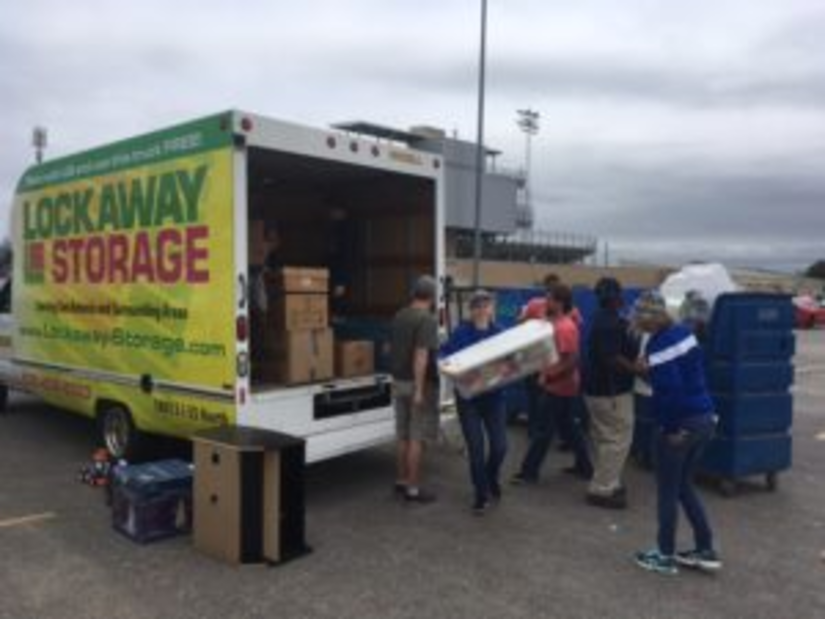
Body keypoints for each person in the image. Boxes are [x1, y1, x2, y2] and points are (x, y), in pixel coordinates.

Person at [632, 291, 722, 576]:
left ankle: (665, 554)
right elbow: (688, 374)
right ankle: (705, 549)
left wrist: (671, 429)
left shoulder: (659, 344)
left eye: (637, 317)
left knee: (667, 491)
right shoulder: (684, 333)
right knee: (684, 486)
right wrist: (649, 371)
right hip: (705, 418)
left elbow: (670, 391)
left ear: (646, 319)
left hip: (680, 424)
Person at [512, 283, 589, 483]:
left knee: (543, 431)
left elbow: (572, 359)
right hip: (558, 385)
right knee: (569, 428)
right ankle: (585, 467)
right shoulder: (552, 322)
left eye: (550, 298)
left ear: (560, 303)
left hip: (559, 387)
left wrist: (551, 377)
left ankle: (529, 472)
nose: (546, 301)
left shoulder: (565, 327)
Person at [440, 290, 508, 515]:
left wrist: (508, 368)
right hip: (468, 400)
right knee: (476, 449)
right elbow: (442, 358)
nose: (481, 309)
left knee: (500, 447)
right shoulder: (461, 333)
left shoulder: (500, 333)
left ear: (491, 308)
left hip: (494, 399)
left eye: (485, 305)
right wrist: (453, 372)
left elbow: (512, 361)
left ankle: (490, 478)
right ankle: (481, 494)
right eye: (477, 305)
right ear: (471, 310)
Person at [583, 277, 640, 509]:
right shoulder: (610, 323)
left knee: (602, 438)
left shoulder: (598, 318)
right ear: (616, 297)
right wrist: (637, 369)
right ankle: (602, 489)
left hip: (594, 390)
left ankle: (607, 479)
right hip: (611, 392)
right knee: (618, 439)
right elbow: (612, 358)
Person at [390, 275, 440, 504]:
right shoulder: (426, 319)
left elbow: (391, 348)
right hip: (414, 384)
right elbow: (421, 356)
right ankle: (412, 488)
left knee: (401, 435)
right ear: (431, 296)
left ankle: (400, 480)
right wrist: (420, 390)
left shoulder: (400, 315)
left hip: (397, 382)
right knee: (415, 438)